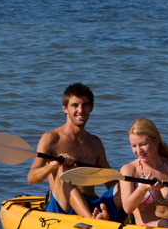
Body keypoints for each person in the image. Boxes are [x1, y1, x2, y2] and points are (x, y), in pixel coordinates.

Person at [27, 83, 122, 220]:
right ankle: (92, 222)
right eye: (75, 105)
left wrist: (131, 188)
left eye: (85, 105)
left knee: (126, 179)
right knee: (64, 170)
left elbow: (109, 181)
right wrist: (53, 165)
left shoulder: (95, 142)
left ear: (91, 108)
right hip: (62, 206)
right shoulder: (51, 138)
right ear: (65, 108)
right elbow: (31, 178)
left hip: (91, 203)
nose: (80, 110)